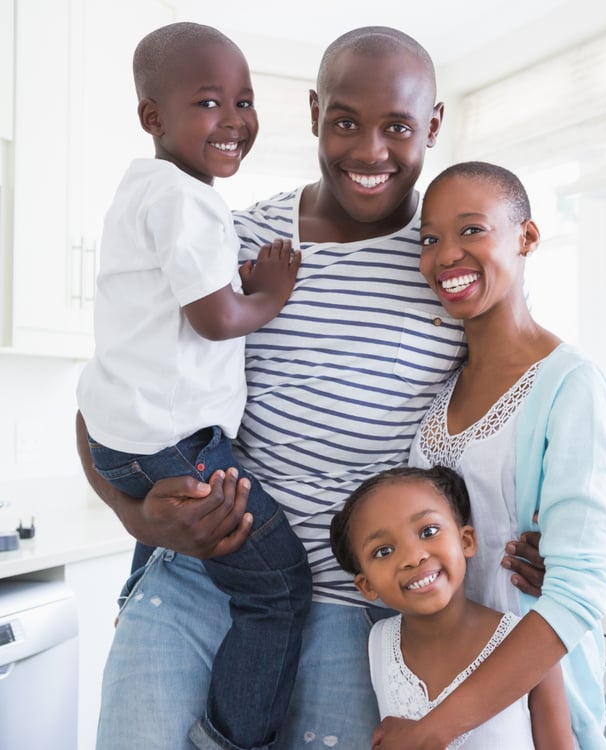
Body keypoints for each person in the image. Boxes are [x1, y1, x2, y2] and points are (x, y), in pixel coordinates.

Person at [75, 25, 472, 750]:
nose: (370, 153)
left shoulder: (447, 266)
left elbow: (507, 413)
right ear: (314, 112)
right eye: (345, 122)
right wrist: (135, 517)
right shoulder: (235, 235)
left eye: (398, 127)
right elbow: (107, 395)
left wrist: (527, 540)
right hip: (195, 581)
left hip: (356, 610)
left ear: (434, 124)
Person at [75, 22, 311, 750]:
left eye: (244, 100)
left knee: (186, 540)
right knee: (279, 588)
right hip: (176, 446)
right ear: (153, 117)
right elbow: (215, 320)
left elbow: (182, 303)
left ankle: (137, 592)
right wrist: (268, 293)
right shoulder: (191, 201)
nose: (234, 119)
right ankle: (230, 739)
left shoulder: (141, 191)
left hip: (124, 443)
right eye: (209, 102)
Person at [376, 160, 606, 749]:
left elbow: (580, 589)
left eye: (471, 230)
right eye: (430, 239)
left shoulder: (570, 383)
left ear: (526, 237)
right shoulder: (438, 390)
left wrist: (431, 732)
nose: (445, 256)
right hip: (434, 690)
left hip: (531, 708)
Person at [329, 465, 573, 749]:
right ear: (367, 586)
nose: (414, 557)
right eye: (384, 551)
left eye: (428, 531)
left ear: (466, 541)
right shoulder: (378, 643)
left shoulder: (528, 641)